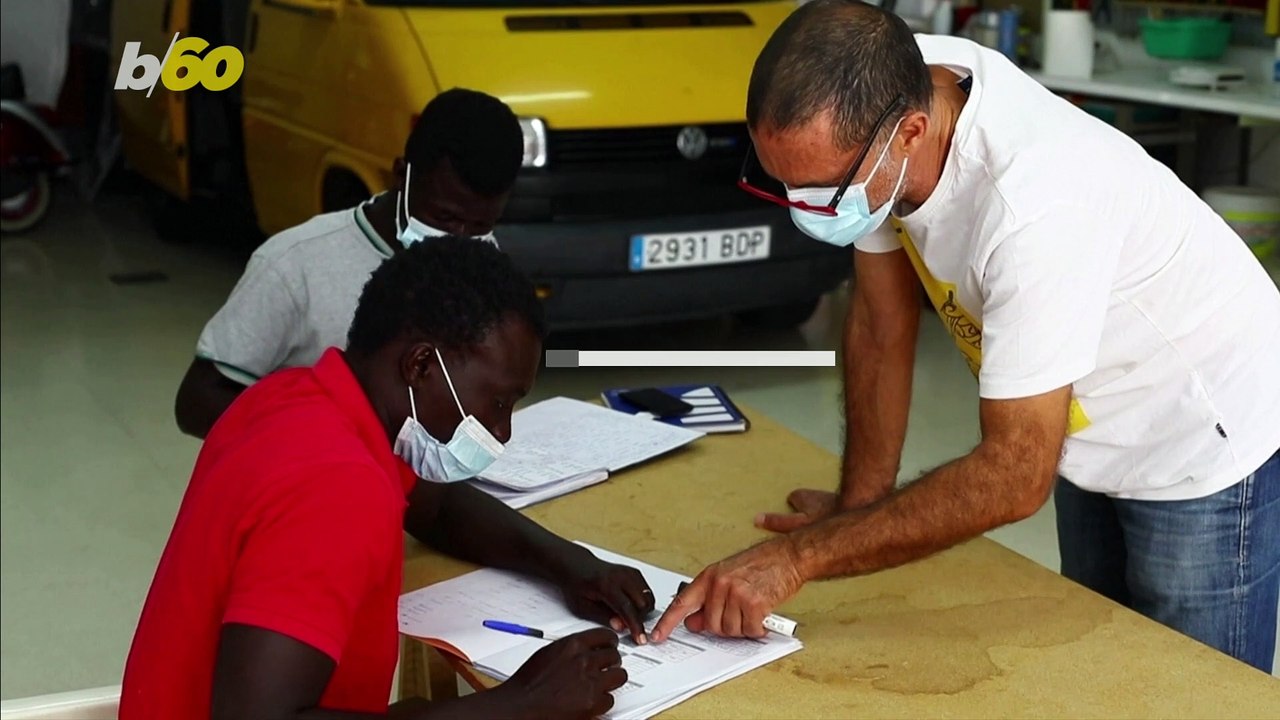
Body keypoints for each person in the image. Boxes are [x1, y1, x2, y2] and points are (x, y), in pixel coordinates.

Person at [653, 0, 1280, 673]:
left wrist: (798, 559)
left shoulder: (1034, 206)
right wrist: (856, 508)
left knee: (1196, 684)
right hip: (1084, 410)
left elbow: (1015, 475)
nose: (804, 209)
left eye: (823, 190)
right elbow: (881, 323)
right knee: (1106, 659)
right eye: (783, 182)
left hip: (1198, 426)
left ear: (910, 133)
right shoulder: (886, 89)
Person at [122, 238, 654, 719]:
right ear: (421, 365)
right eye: (498, 401)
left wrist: (573, 566)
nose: (502, 430)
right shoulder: (338, 487)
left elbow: (437, 508)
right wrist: (517, 705)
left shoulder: (296, 398)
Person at [175, 87, 523, 440]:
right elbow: (196, 403)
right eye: (444, 217)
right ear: (401, 175)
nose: (458, 239)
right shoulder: (295, 265)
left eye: (480, 224)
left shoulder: (483, 259)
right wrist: (323, 437)